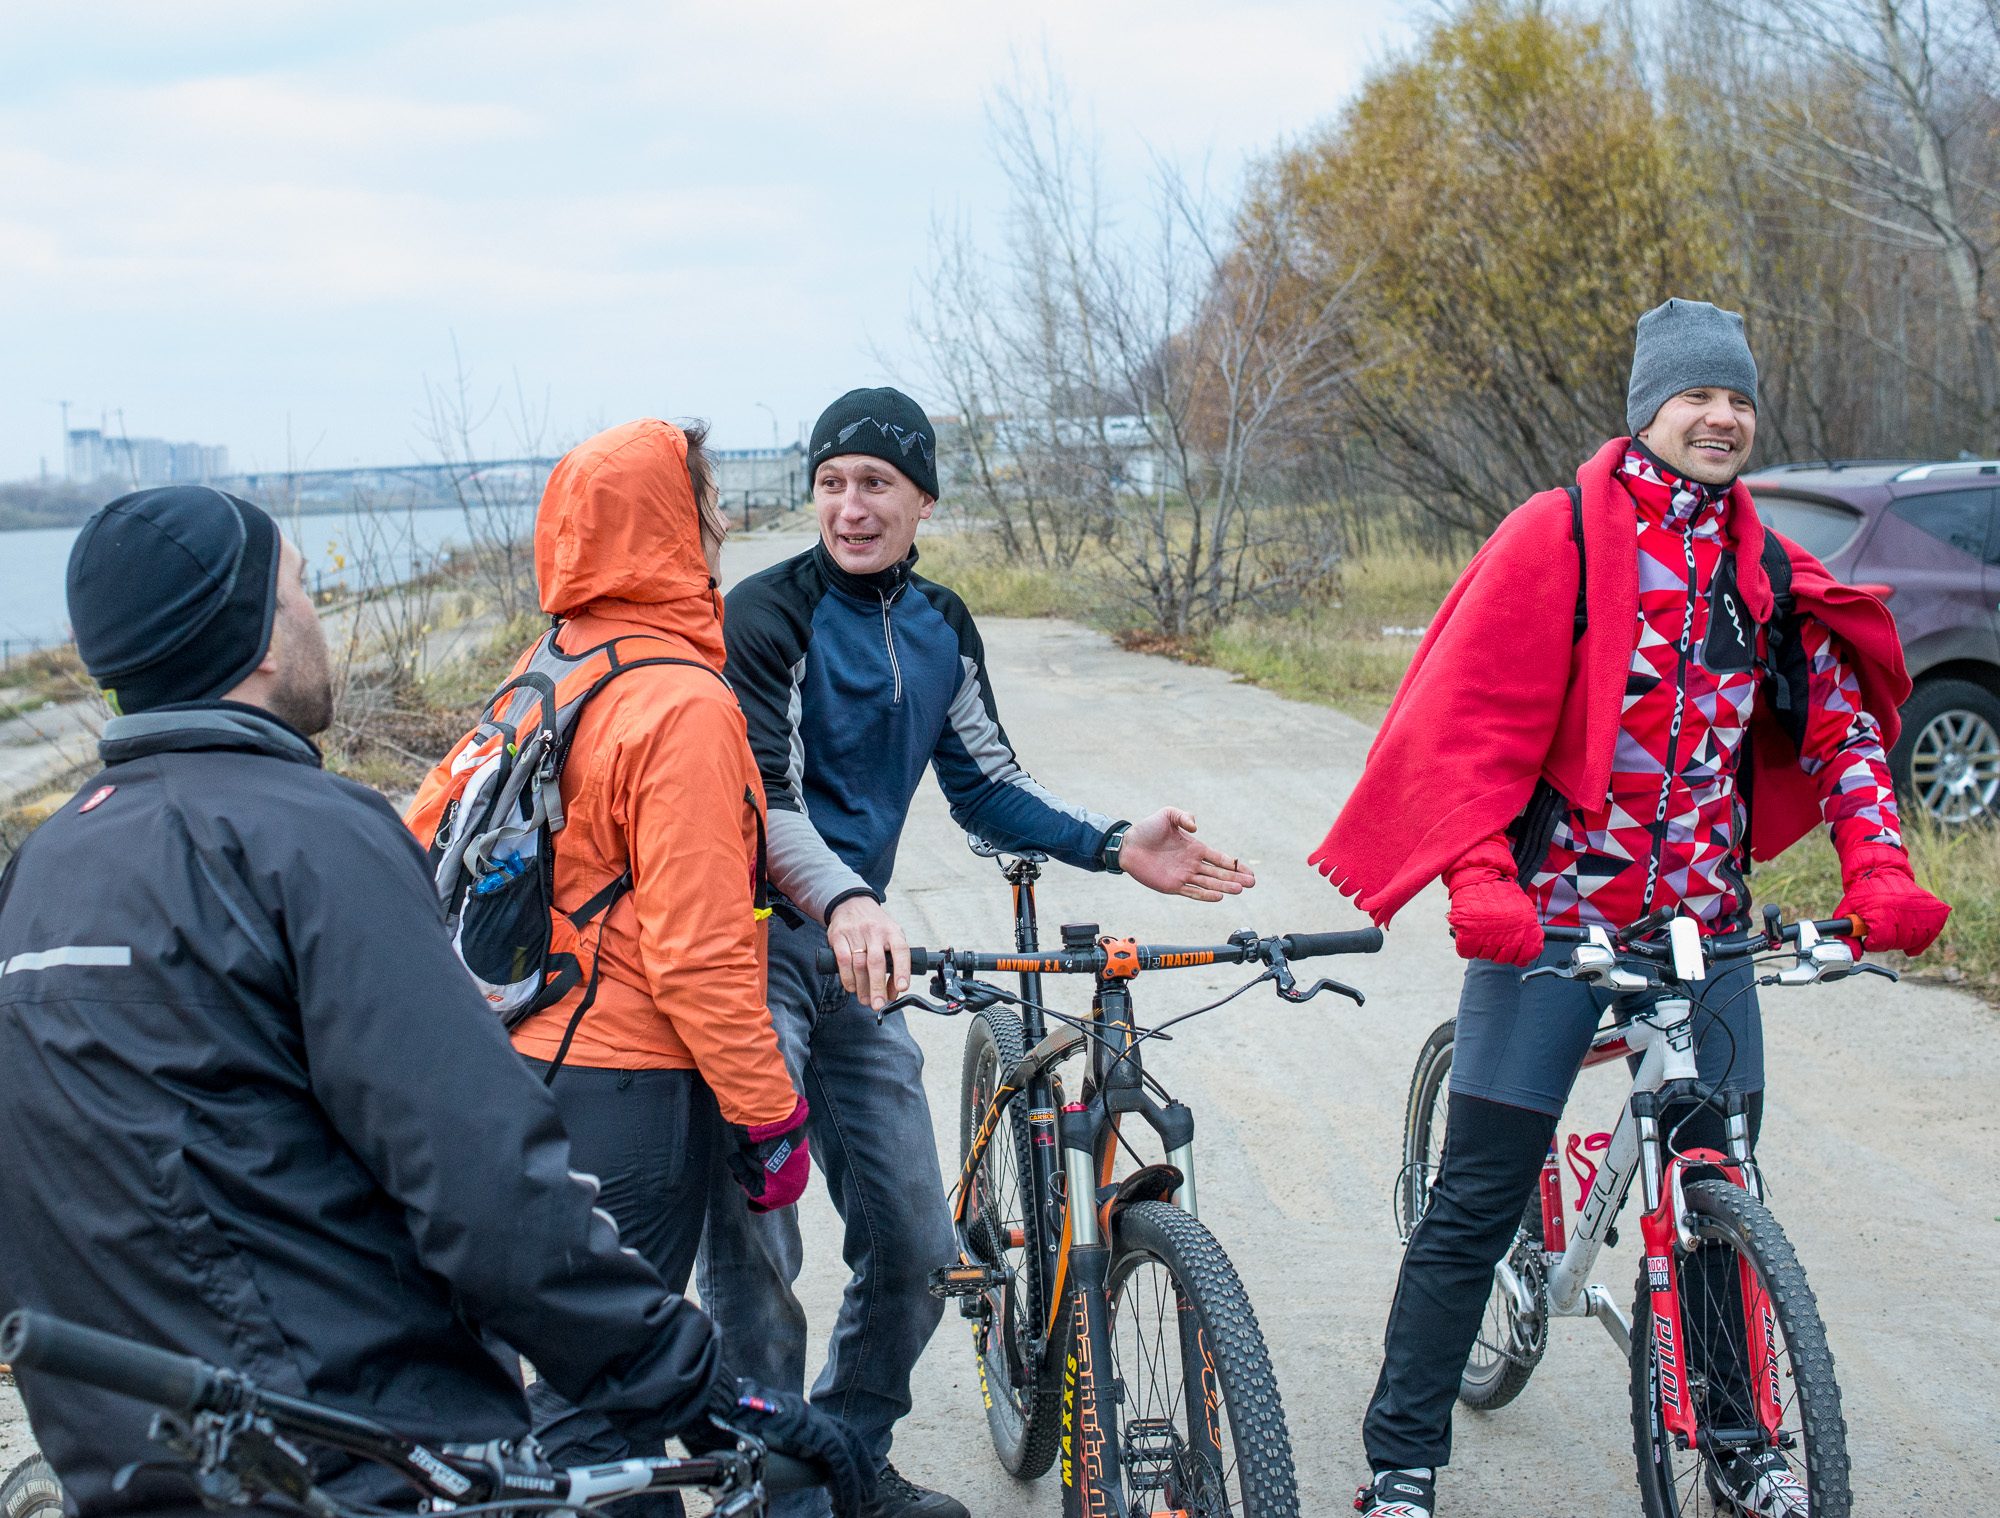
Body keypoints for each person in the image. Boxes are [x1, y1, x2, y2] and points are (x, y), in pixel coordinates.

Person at [0, 486, 872, 1518]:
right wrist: (700, 1389)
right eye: (300, 590)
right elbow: (485, 1185)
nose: (317, 616)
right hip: (352, 1452)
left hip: (133, 1447)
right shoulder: (309, 837)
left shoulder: (42, 867)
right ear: (259, 639)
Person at [1313, 300, 1951, 1518]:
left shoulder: (1766, 568)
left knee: (1715, 1183)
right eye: (1695, 396)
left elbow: (1841, 732)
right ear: (1647, 408)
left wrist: (1877, 867)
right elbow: (1470, 726)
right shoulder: (1554, 537)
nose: (1720, 417)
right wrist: (1479, 878)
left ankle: (1737, 1444)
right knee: (1477, 1196)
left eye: (1737, 399)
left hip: (1702, 925)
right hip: (1551, 922)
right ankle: (1399, 1463)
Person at [703, 386, 1258, 1518]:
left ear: (924, 499)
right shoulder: (764, 615)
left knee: (919, 1244)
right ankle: (764, 1488)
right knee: (758, 1250)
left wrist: (1115, 844)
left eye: (876, 484)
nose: (850, 508)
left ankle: (845, 1458)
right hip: (750, 952)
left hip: (858, 957)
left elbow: (986, 783)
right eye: (830, 484)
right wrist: (849, 899)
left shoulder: (941, 624)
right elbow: (767, 799)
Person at [406, 419, 813, 1517]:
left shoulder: (546, 671)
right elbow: (698, 952)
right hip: (628, 1089)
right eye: (707, 505)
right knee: (604, 1412)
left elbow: (419, 841)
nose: (720, 526)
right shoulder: (681, 703)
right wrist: (769, 1116)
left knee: (547, 1385)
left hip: (514, 1061)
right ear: (669, 525)